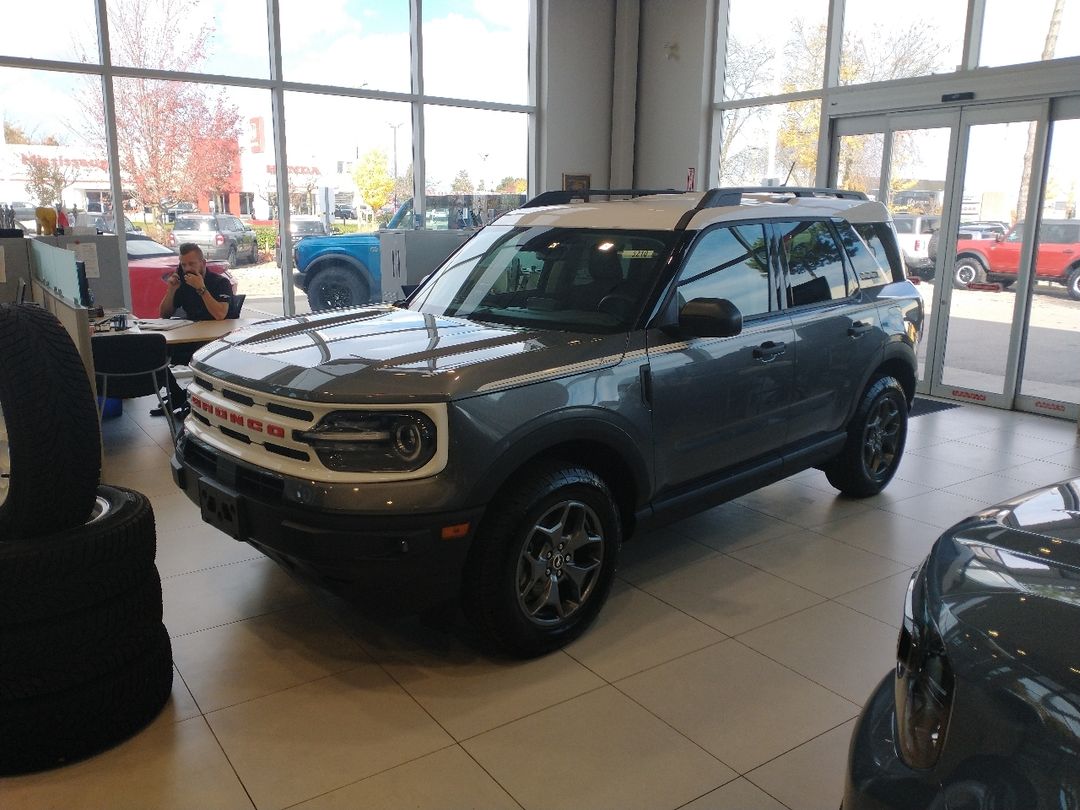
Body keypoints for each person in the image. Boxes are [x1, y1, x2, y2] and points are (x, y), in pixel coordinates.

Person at [151, 243, 233, 418]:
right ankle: (178, 395)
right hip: (190, 338)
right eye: (183, 265)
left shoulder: (220, 283)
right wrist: (171, 290)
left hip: (215, 343)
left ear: (203, 263)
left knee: (202, 356)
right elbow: (164, 314)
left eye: (192, 264)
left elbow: (220, 314)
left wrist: (201, 289)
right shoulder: (183, 283)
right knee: (154, 353)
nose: (187, 269)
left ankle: (193, 400)